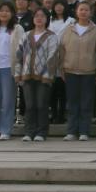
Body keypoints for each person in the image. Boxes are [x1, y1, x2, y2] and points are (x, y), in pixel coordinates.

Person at [14, 7, 59, 143]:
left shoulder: (51, 36)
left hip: (44, 77)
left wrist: (47, 75)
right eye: (36, 16)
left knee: (41, 105)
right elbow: (19, 55)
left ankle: (41, 132)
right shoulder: (26, 35)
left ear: (47, 19)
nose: (39, 18)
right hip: (27, 75)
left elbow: (53, 57)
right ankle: (29, 132)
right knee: (30, 105)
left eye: (42, 16)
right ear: (33, 19)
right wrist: (18, 74)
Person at [59, 0, 96, 141]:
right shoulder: (68, 29)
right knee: (72, 102)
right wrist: (62, 67)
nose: (83, 12)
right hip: (70, 71)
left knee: (86, 103)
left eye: (86, 10)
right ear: (76, 12)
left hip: (89, 72)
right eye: (81, 9)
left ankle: (84, 131)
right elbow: (62, 50)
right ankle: (71, 131)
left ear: (91, 12)